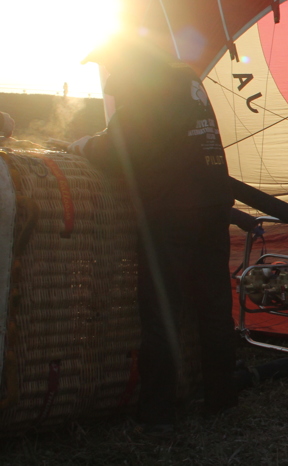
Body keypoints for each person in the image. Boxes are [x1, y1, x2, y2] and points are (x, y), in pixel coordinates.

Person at [69, 34, 238, 435]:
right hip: (214, 203)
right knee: (214, 306)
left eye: (110, 69)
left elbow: (120, 150)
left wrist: (83, 147)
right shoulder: (185, 79)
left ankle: (158, 412)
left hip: (172, 210)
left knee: (160, 310)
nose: (109, 79)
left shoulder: (150, 87)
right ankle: (222, 399)